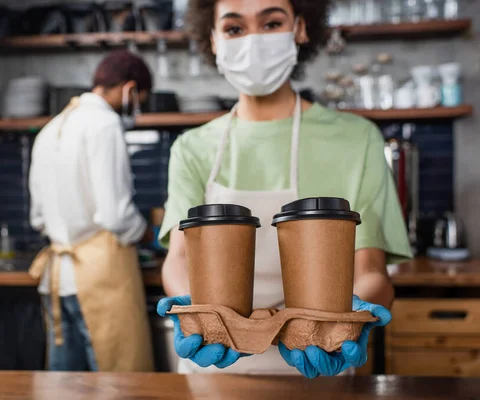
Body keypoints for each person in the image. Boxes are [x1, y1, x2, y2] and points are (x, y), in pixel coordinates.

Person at [157, 0, 412, 377]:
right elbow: (179, 258)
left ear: (301, 29)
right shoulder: (192, 149)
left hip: (320, 362)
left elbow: (370, 268)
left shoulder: (357, 140)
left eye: (272, 22)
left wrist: (350, 316)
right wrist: (198, 316)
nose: (253, 41)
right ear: (212, 40)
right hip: (217, 368)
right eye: (234, 28)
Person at [28, 50, 154, 372]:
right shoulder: (105, 124)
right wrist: (147, 233)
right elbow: (115, 215)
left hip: (57, 278)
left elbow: (37, 217)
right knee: (120, 385)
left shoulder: (50, 128)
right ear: (129, 89)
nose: (137, 107)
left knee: (66, 389)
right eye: (140, 98)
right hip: (101, 280)